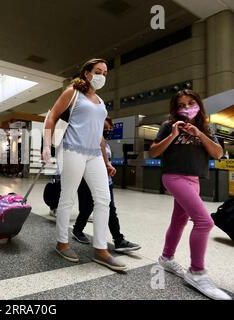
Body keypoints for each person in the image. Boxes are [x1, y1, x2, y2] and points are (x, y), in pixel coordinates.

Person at [43, 58, 126, 271]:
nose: (102, 76)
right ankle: (62, 243)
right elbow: (52, 116)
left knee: (103, 199)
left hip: (94, 155)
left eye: (105, 73)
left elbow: (99, 135)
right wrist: (46, 147)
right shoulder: (72, 92)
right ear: (87, 73)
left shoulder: (100, 101)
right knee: (67, 197)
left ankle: (100, 249)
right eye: (98, 71)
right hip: (72, 149)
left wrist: (106, 162)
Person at [149, 89, 231, 300]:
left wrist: (200, 134)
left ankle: (166, 258)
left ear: (198, 104)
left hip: (194, 179)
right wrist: (173, 135)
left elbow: (217, 153)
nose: (186, 108)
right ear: (176, 109)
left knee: (179, 220)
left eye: (191, 103)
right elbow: (154, 151)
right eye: (181, 105)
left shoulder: (206, 126)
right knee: (204, 222)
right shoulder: (169, 125)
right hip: (174, 177)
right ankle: (196, 272)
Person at [72, 117, 141, 253]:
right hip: (88, 182)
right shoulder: (89, 142)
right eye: (105, 128)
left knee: (111, 209)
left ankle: (119, 240)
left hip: (105, 182)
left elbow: (105, 161)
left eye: (110, 129)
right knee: (87, 209)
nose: (108, 131)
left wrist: (109, 168)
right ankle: (77, 230)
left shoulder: (107, 145)